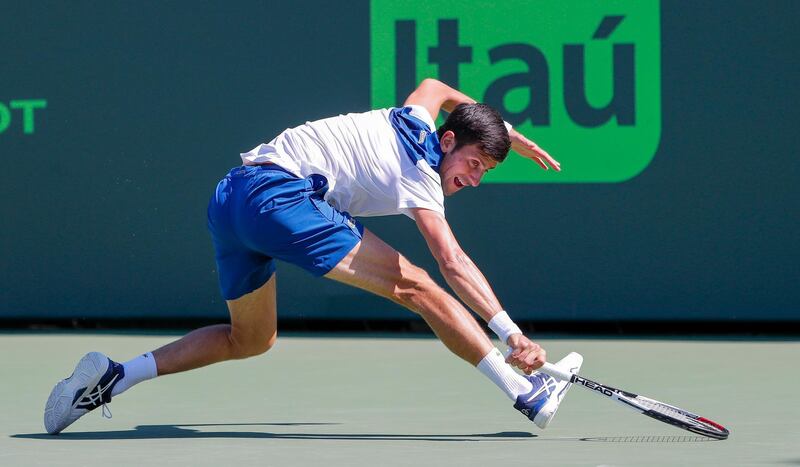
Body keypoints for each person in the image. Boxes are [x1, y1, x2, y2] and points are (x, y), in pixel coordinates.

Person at [44, 78, 582, 435]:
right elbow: (452, 261)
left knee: (251, 339)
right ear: (445, 142)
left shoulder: (414, 115)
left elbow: (438, 88)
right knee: (419, 286)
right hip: (278, 198)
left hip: (230, 197)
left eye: (487, 170)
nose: (475, 177)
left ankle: (114, 376)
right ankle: (524, 392)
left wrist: (507, 133)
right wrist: (512, 334)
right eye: (473, 162)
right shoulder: (422, 176)